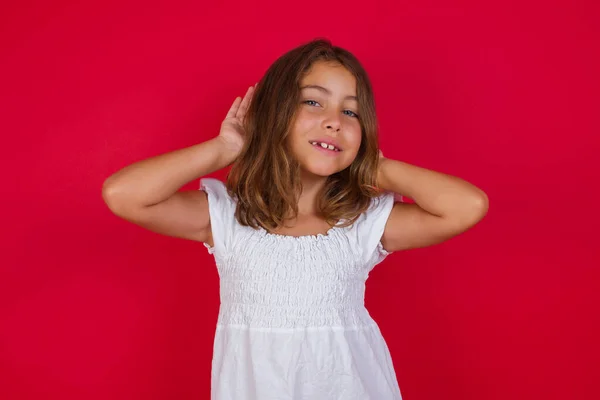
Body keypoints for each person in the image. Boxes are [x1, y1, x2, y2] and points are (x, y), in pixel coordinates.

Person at [102, 38, 489, 400]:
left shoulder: (360, 224)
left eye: (351, 111)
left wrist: (376, 166)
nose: (335, 120)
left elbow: (466, 206)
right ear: (274, 114)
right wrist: (224, 148)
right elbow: (125, 195)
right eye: (314, 103)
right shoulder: (228, 218)